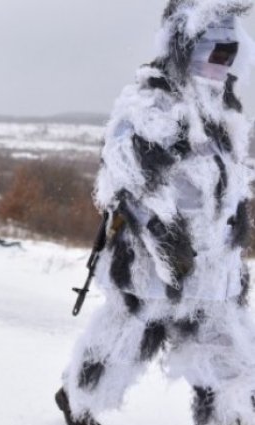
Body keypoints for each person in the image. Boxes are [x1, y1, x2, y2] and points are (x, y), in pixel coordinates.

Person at [56, 2, 255, 424]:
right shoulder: (153, 101)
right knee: (121, 347)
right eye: (215, 52)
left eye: (229, 54)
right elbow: (123, 178)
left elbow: (235, 181)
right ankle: (79, 402)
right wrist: (165, 241)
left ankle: (230, 415)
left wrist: (235, 248)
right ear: (187, 46)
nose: (223, 64)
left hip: (214, 277)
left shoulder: (225, 111)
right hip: (152, 273)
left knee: (234, 365)